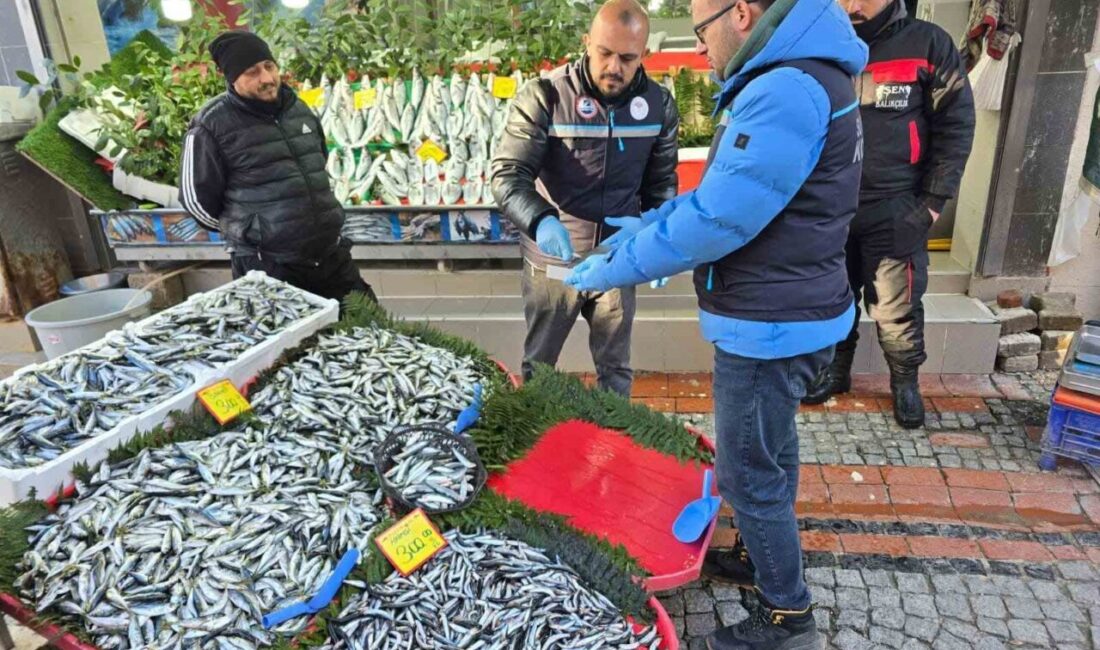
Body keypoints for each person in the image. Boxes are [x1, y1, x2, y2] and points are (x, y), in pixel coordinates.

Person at [566, 0, 866, 645]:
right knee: (771, 451)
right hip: (790, 307)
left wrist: (616, 268)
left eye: (699, 30)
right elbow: (727, 191)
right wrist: (650, 225)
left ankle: (787, 616)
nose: (698, 49)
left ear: (742, 13)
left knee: (747, 470)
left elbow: (722, 221)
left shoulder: (785, 88)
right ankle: (763, 556)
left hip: (769, 320)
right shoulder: (802, 74)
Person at [490, 0, 679, 397]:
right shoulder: (545, 95)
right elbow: (508, 173)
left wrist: (660, 239)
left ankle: (615, 443)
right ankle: (537, 439)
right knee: (540, 362)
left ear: (644, 54)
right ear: (586, 43)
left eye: (628, 58)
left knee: (616, 367)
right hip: (554, 260)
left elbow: (661, 183)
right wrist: (541, 221)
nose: (614, 67)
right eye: (605, 53)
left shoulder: (659, 106)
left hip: (617, 256)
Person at [801, 0, 975, 428]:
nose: (852, 5)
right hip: (830, 207)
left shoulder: (928, 43)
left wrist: (933, 203)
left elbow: (956, 125)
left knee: (896, 307)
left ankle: (904, 381)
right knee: (831, 300)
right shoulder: (817, 44)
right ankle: (835, 371)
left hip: (898, 206)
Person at [179, 31, 376, 306]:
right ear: (231, 77)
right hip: (270, 266)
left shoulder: (299, 110)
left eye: (269, 67)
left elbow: (318, 160)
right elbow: (195, 200)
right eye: (252, 72)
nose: (267, 79)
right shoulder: (211, 125)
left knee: (368, 328)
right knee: (291, 345)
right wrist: (249, 232)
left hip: (330, 255)